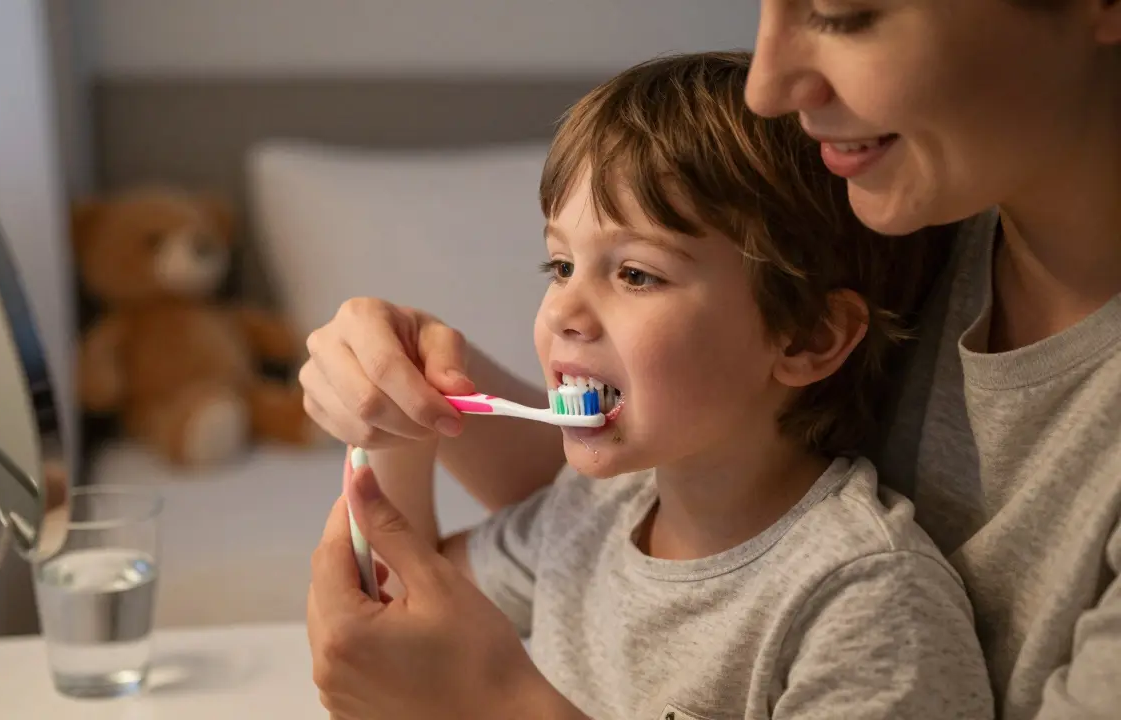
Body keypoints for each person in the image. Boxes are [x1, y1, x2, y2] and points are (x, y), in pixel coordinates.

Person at [303, 2, 1121, 719]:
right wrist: (401, 409)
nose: (770, 87)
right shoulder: (600, 508)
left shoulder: (868, 602)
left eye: (844, 11)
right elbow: (425, 617)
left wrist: (501, 708)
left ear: (809, 340)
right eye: (558, 267)